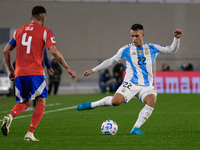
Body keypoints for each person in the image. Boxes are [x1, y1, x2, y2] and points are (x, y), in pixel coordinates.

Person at [77, 23, 183, 135]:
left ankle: (135, 128)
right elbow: (111, 61)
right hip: (131, 83)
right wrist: (94, 70)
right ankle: (92, 105)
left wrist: (176, 39)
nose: (134, 39)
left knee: (151, 100)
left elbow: (172, 49)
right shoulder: (126, 49)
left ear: (143, 35)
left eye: (136, 36)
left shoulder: (152, 48)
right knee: (116, 102)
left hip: (146, 85)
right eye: (132, 36)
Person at [1, 6, 76, 141]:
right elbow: (54, 52)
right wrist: (67, 67)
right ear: (44, 18)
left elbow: (6, 51)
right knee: (40, 101)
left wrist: (11, 71)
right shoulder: (45, 31)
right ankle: (30, 133)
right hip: (35, 72)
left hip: (19, 73)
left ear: (31, 18)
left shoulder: (19, 30)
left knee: (25, 101)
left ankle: (10, 115)